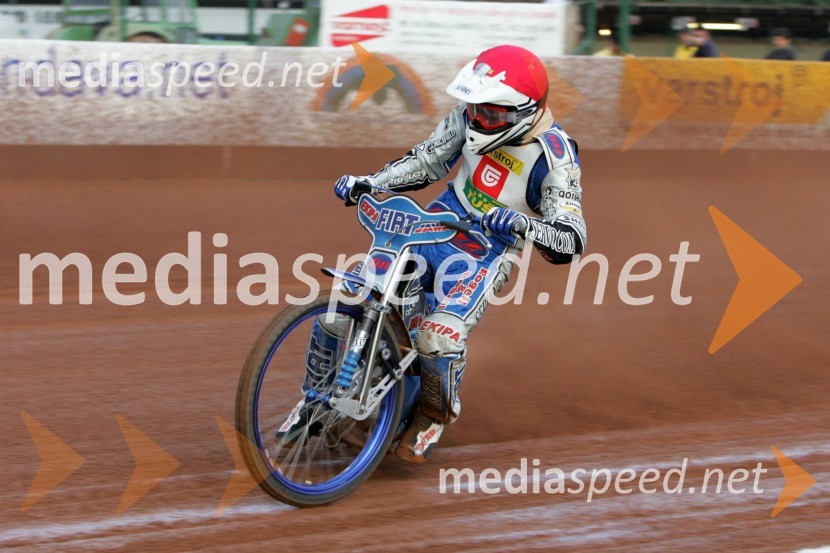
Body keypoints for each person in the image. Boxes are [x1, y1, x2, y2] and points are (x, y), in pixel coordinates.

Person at [328, 45, 587, 463]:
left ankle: (433, 413)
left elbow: (571, 239)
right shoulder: (466, 116)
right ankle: (323, 391)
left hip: (488, 251)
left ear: (524, 111)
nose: (480, 120)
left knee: (436, 337)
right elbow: (427, 162)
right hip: (437, 222)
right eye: (475, 108)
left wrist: (524, 224)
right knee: (352, 297)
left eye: (493, 114)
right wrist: (370, 182)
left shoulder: (556, 157)